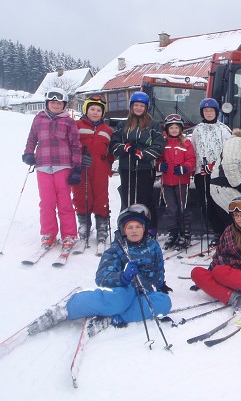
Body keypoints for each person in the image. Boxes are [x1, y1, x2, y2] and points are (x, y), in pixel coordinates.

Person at [26, 204, 172, 336]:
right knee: (119, 300)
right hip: (124, 290)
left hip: (144, 291)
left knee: (164, 303)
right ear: (123, 229)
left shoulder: (152, 245)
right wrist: (123, 277)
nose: (134, 231)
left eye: (138, 227)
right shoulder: (117, 249)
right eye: (130, 227)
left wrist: (160, 284)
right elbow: (102, 277)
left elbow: (158, 267)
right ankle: (67, 308)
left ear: (144, 228)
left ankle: (114, 317)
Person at [22, 87, 82, 251]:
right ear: (47, 103)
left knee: (64, 202)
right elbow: (32, 138)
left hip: (63, 165)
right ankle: (49, 234)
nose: (56, 105)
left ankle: (69, 234)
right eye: (53, 102)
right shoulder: (39, 119)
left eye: (59, 102)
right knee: (47, 202)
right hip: (43, 165)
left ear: (64, 104)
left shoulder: (68, 121)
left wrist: (77, 167)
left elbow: (76, 145)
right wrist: (28, 153)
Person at [109, 91, 165, 236]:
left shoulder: (153, 125)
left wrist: (144, 154)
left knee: (145, 197)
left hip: (145, 168)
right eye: (136, 105)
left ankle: (149, 227)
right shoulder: (123, 125)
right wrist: (124, 148)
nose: (139, 108)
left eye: (142, 105)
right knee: (127, 197)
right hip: (127, 167)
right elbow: (114, 144)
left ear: (146, 107)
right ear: (131, 106)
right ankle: (127, 225)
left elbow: (159, 145)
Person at [72, 95, 114, 247]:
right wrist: (78, 158)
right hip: (81, 168)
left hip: (100, 168)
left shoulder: (108, 130)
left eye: (98, 110)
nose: (95, 112)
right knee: (81, 196)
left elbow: (111, 151)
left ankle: (102, 227)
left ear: (103, 113)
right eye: (92, 109)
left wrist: (108, 164)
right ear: (86, 110)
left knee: (101, 197)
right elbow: (69, 145)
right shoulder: (76, 125)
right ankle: (84, 225)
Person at [191, 98, 232, 243]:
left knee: (219, 203)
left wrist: (214, 166)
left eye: (211, 110)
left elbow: (229, 151)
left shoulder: (224, 130)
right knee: (206, 204)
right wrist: (198, 167)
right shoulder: (197, 130)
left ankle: (225, 232)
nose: (208, 113)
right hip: (201, 173)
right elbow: (193, 149)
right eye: (206, 111)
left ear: (216, 112)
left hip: (219, 173)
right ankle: (216, 231)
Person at [156, 114, 196, 250]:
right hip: (167, 182)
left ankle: (185, 233)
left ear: (181, 129)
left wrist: (185, 168)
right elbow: (158, 159)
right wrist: (160, 166)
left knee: (182, 208)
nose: (173, 130)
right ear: (167, 129)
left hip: (181, 182)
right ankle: (173, 233)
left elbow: (191, 160)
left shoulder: (186, 143)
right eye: (171, 127)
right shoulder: (163, 143)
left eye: (176, 127)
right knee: (170, 209)